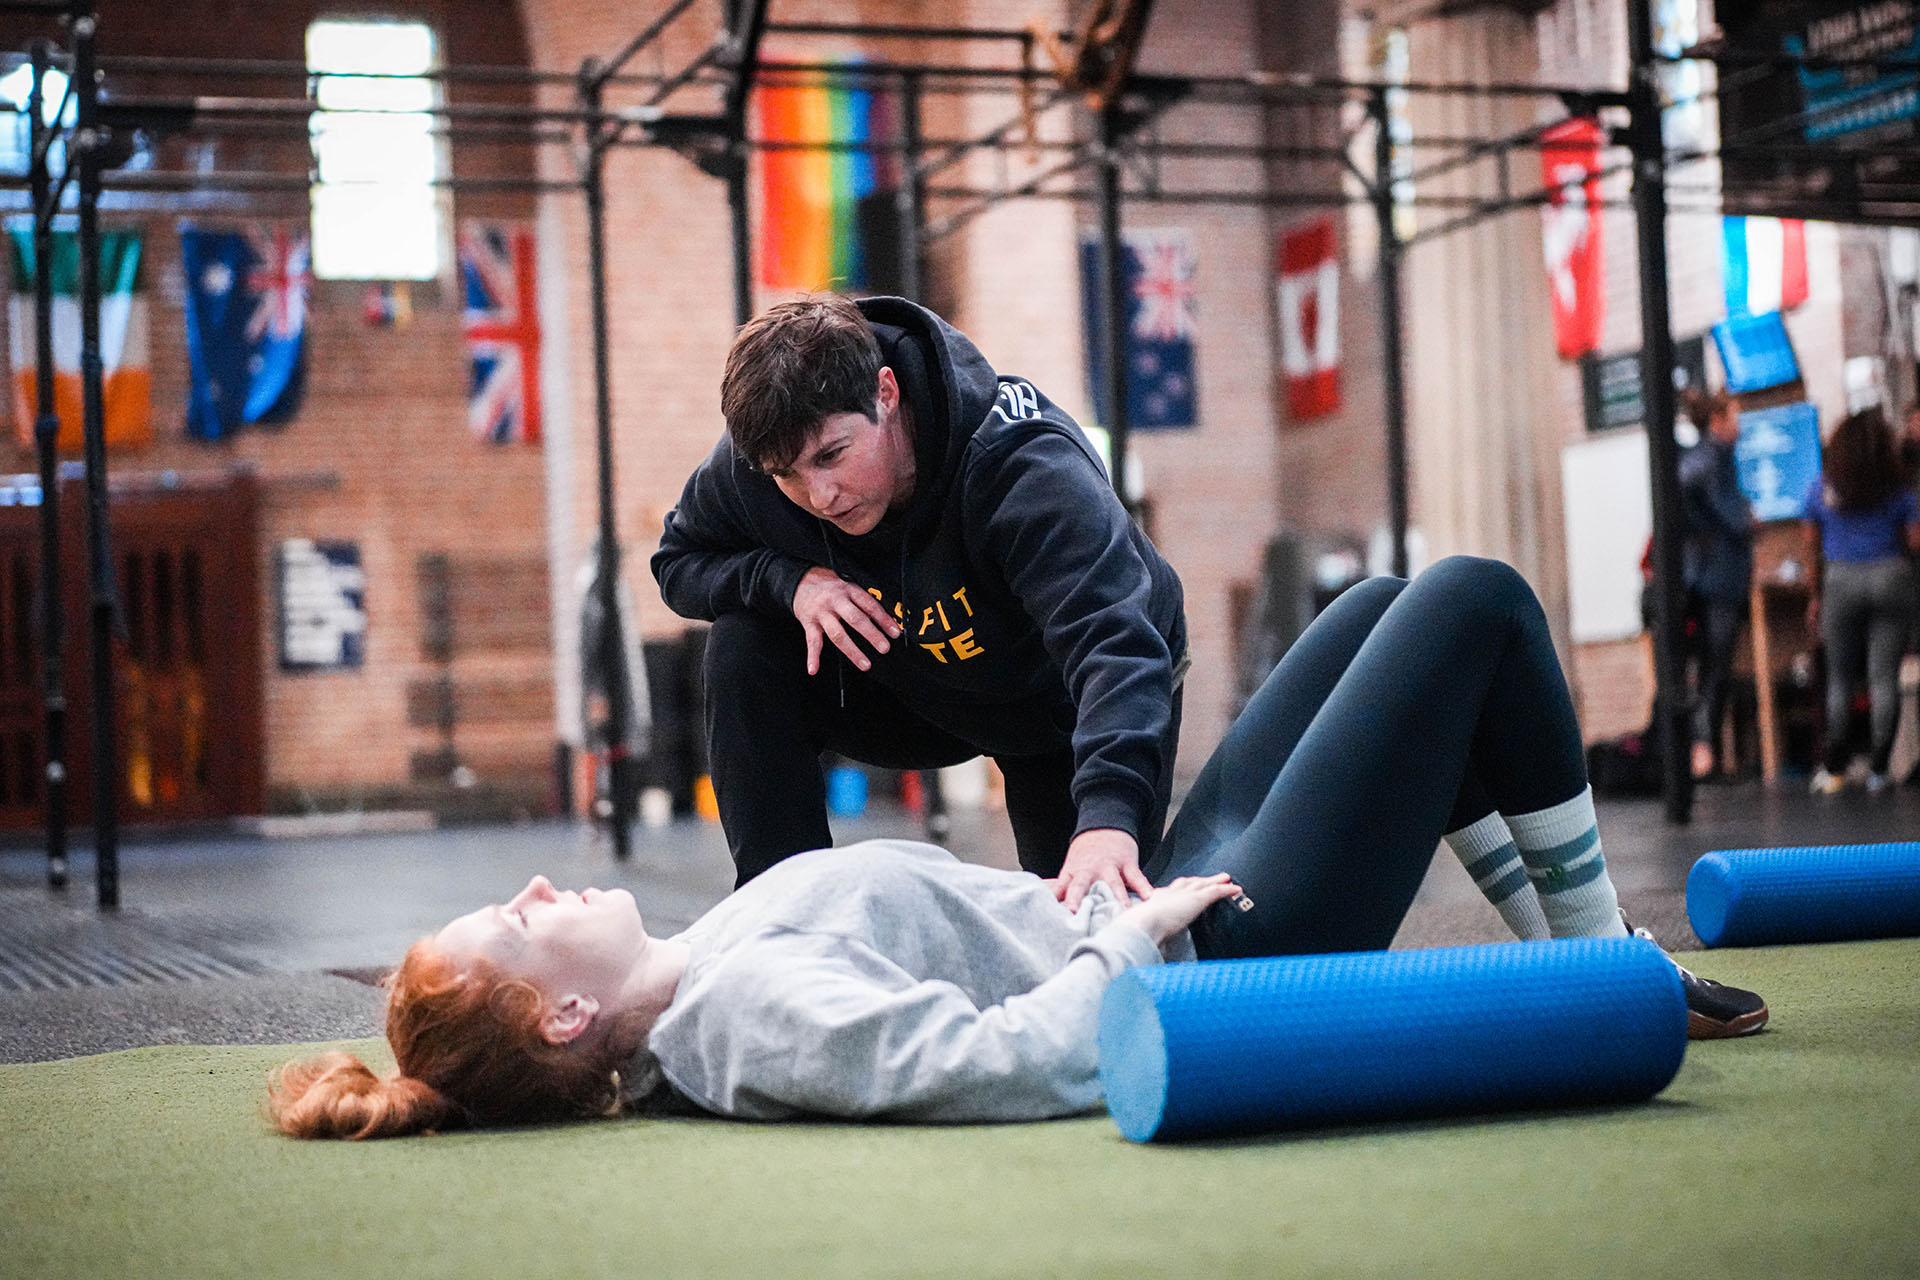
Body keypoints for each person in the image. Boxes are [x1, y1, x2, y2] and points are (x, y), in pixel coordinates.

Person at [269, 558, 1768, 1140]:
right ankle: (1596, 959)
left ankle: (1582, 958)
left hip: (1152, 884)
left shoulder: (704, 955)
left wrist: (1114, 880)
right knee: (1477, 605)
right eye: (518, 924)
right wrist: (1142, 929)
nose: (537, 889)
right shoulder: (737, 1015)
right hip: (1223, 940)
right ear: (567, 1017)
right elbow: (1003, 1066)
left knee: (1384, 604)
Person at [650, 295, 1185, 909]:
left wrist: (1108, 821)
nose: (819, 494)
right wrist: (792, 583)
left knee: (1085, 915)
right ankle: (783, 914)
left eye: (832, 456)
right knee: (744, 643)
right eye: (789, 475)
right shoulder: (762, 463)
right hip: (916, 682)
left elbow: (1115, 646)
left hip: (1059, 697)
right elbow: (677, 561)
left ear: (885, 392)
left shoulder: (1022, 466)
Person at [1802, 408, 1920, 794]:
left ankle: (1834, 770)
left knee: (1839, 677)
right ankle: (1879, 772)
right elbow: (1915, 541)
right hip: (1891, 576)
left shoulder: (1823, 487)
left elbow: (1809, 544)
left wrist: (1815, 594)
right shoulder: (1899, 487)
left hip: (1842, 579)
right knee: (1883, 676)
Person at [1677, 388, 1754, 782]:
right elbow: (1729, 515)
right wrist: (1743, 521)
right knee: (1712, 670)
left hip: (1711, 577)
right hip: (1715, 579)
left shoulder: (1707, 460)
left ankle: (1708, 754)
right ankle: (1705, 755)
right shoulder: (1710, 461)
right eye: (1735, 417)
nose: (1740, 426)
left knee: (1710, 669)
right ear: (1718, 421)